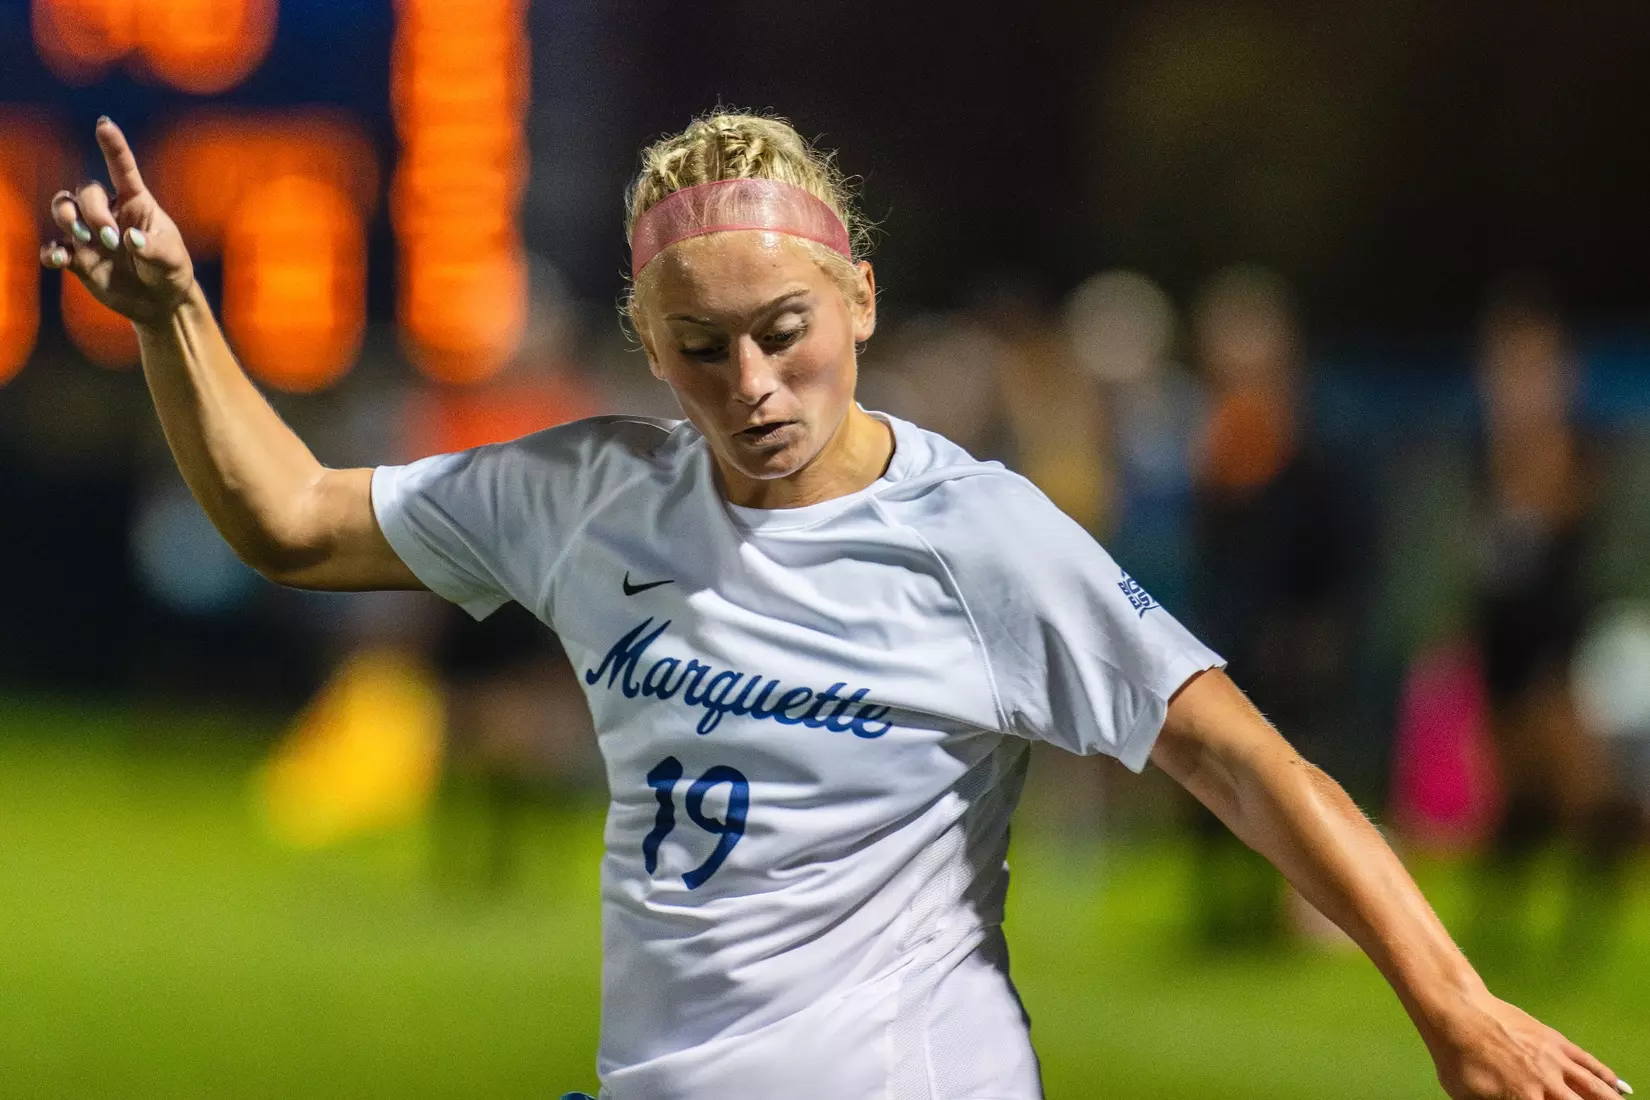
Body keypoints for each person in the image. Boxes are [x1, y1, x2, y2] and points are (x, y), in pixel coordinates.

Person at [42, 111, 1630, 1100]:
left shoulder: (979, 536)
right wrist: (178, 315)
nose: (751, 383)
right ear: (649, 347)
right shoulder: (594, 493)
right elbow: (293, 519)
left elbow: (1243, 762)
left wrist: (1455, 1009)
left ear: (860, 297)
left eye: (785, 330)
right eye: (700, 347)